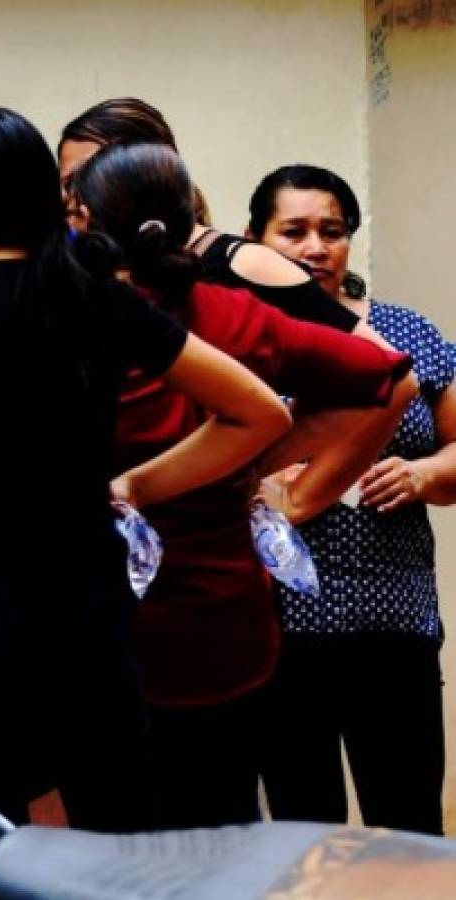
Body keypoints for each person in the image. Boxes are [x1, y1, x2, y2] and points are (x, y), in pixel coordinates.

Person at [0, 106, 294, 829]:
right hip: (91, 628)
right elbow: (259, 414)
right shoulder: (93, 297)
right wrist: (132, 486)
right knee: (119, 847)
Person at [70, 142, 416, 827]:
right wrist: (247, 465)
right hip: (227, 622)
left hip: (115, 623)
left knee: (121, 852)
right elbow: (385, 380)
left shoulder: (82, 320)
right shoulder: (233, 315)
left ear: (88, 225)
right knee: (224, 829)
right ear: (189, 216)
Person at [250, 164, 455, 835]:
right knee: (301, 833)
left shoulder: (406, 333)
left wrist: (422, 474)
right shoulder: (234, 337)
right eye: (295, 231)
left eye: (331, 231)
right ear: (255, 239)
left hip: (392, 624)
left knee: (408, 827)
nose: (315, 247)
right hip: (277, 629)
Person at [57, 97, 369, 339]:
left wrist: (275, 420)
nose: (69, 200)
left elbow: (386, 373)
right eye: (65, 184)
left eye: (82, 179)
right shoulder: (98, 275)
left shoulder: (247, 263)